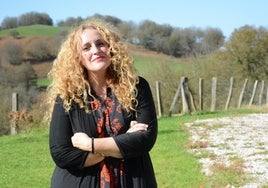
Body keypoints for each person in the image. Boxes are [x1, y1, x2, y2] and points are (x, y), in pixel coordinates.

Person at [47, 19, 158, 188]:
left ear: (112, 48)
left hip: (132, 181)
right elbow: (61, 153)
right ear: (78, 58)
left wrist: (91, 145)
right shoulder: (67, 96)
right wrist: (122, 143)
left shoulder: (136, 87)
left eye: (101, 44)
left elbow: (145, 139)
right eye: (86, 47)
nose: (96, 50)